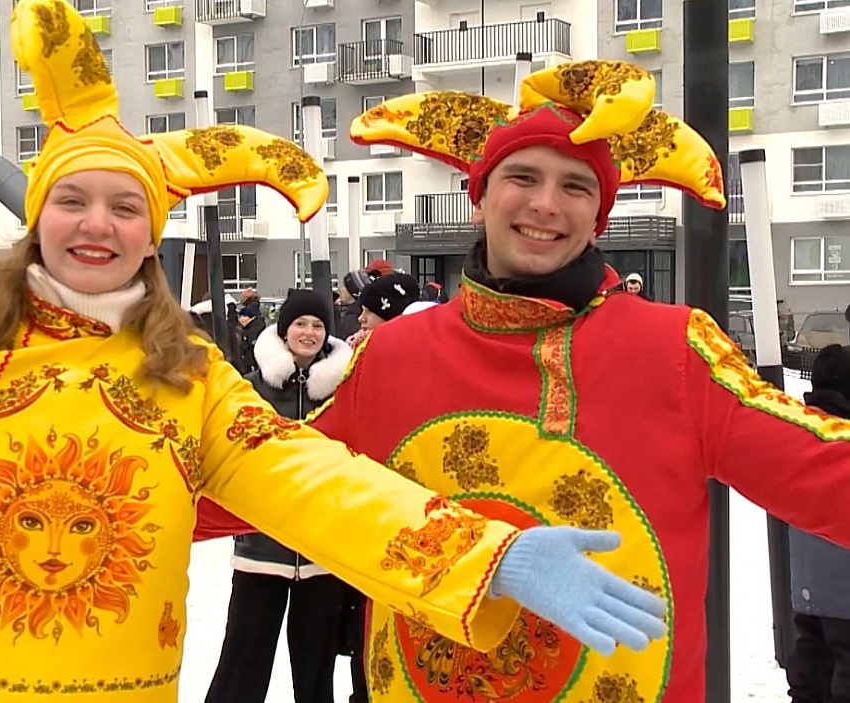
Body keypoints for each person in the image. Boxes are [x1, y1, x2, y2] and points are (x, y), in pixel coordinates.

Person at [0, 9, 662, 703]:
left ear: (149, 234)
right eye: (74, 200)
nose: (97, 224)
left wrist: (486, 553)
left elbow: (319, 484)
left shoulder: (188, 380)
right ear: (38, 216)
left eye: (126, 207)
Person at [196, 59, 850, 702]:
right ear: (478, 196)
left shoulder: (673, 352)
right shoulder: (392, 356)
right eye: (522, 176)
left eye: (576, 186)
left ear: (599, 215)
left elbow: (824, 475)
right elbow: (259, 483)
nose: (545, 203)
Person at [205, 288, 353, 703]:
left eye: (318, 325)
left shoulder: (342, 392)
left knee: (316, 672)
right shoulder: (252, 389)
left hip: (321, 552)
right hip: (261, 548)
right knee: (242, 663)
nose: (309, 333)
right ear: (284, 330)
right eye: (300, 324)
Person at [786, 344, 850, 703]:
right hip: (844, 589)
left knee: (810, 663)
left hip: (807, 584)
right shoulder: (843, 438)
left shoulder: (799, 431)